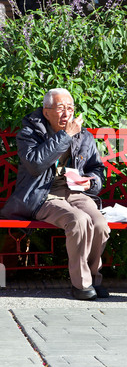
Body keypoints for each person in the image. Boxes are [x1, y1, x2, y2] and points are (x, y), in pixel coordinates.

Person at [1, 88, 110, 301]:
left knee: (99, 224)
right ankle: (81, 285)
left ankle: (94, 280)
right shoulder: (29, 134)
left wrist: (91, 181)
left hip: (75, 192)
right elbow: (35, 164)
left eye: (70, 108)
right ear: (46, 111)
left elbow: (97, 169)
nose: (66, 114)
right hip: (41, 195)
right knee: (78, 221)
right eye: (60, 108)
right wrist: (65, 136)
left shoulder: (84, 136)